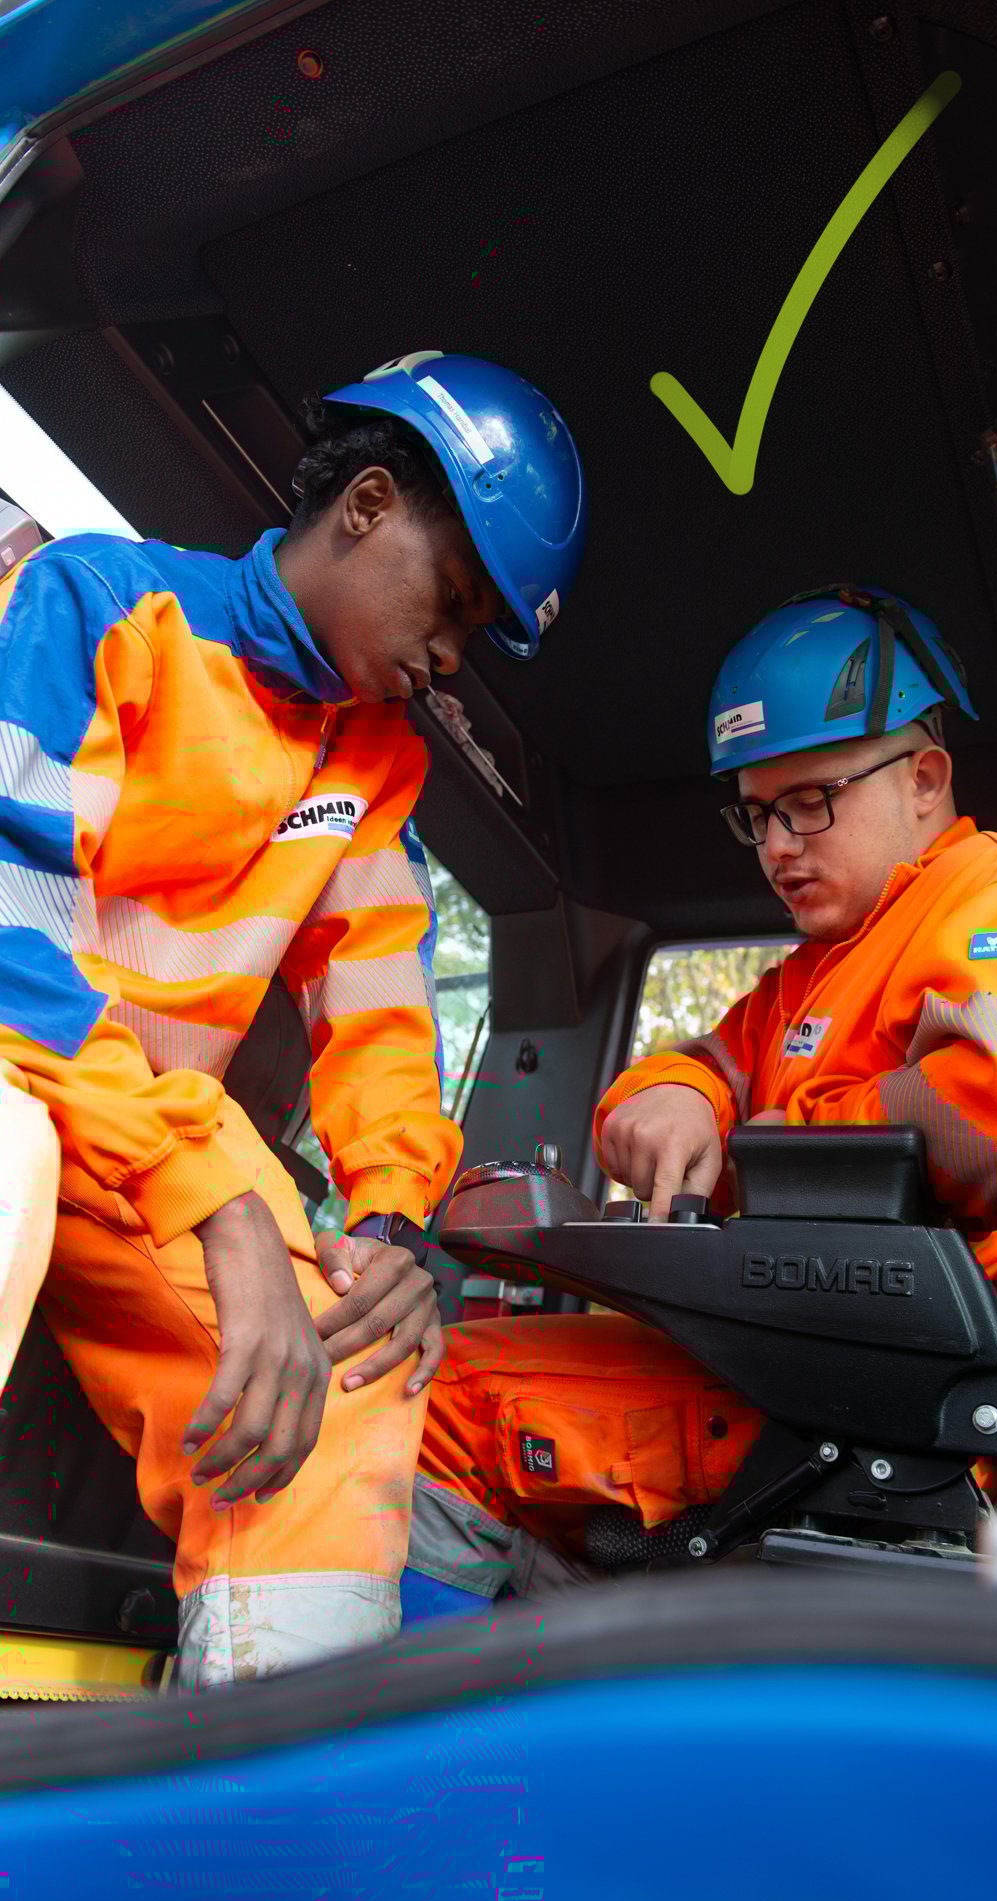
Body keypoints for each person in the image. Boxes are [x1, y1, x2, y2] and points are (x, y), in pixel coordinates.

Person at [0, 350, 586, 1687]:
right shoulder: (105, 605)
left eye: (478, 634)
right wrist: (225, 1204)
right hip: (33, 1089)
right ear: (368, 503)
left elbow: (383, 1012)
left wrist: (384, 1227)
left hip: (151, 1144)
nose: (450, 658)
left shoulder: (374, 766)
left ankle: (255, 1826)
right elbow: (7, 925)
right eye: (454, 603)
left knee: (355, 1365)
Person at [408, 583, 997, 1608]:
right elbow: (702, 1065)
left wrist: (770, 1139)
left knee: (434, 1399)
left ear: (926, 779)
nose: (776, 846)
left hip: (891, 1406)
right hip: (784, 1364)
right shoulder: (807, 978)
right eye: (759, 813)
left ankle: (377, 1743)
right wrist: (682, 1094)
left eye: (811, 802)